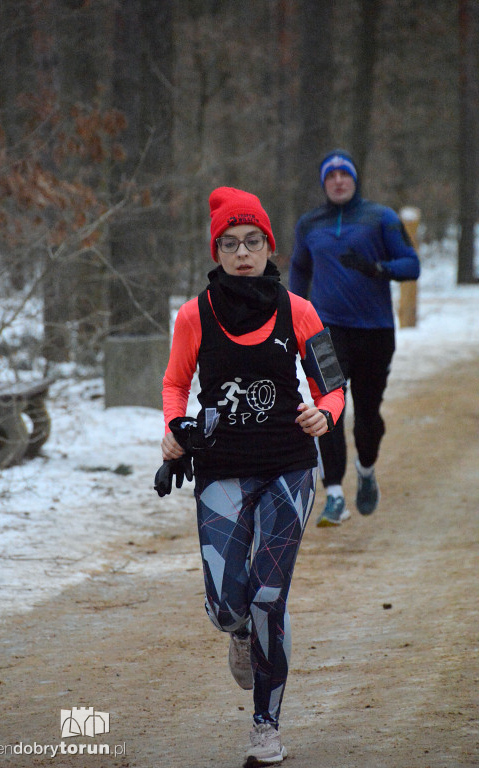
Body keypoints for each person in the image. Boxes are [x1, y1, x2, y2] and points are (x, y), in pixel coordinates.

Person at [155, 186, 345, 765]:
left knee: (268, 595)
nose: (243, 253)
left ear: (268, 247)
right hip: (220, 470)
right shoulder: (195, 315)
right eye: (231, 243)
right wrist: (172, 429)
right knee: (228, 607)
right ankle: (238, 633)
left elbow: (331, 381)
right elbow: (173, 385)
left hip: (288, 466)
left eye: (253, 242)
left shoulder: (298, 309)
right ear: (218, 249)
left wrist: (325, 412)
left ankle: (266, 724)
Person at [289, 149, 420, 527]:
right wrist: (296, 313)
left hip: (375, 331)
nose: (338, 182)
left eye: (344, 175)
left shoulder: (381, 218)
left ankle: (365, 470)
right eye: (330, 177)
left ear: (355, 179)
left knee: (367, 416)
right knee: (327, 407)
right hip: (326, 332)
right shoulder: (310, 223)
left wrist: (376, 268)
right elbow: (299, 267)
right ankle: (333, 494)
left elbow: (411, 266)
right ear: (323, 183)